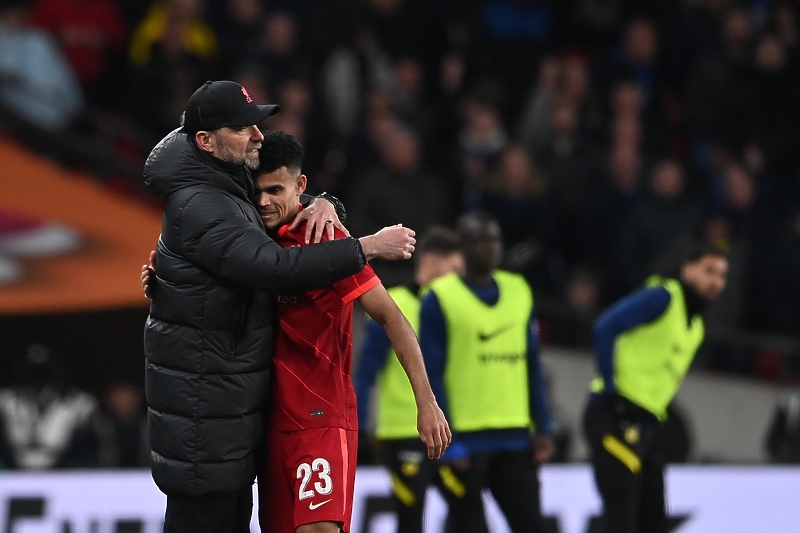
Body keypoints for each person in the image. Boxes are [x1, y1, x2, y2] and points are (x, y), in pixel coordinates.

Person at [142, 80, 416, 533]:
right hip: (206, 430)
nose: (257, 136)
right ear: (206, 141)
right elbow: (272, 266)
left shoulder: (226, 181)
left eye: (255, 123)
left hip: (239, 425)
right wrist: (365, 246)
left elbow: (276, 201)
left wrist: (324, 204)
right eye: (242, 127)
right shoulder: (202, 201)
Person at [251, 130, 451, 533]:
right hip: (271, 422)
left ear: (300, 185)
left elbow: (393, 318)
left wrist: (426, 403)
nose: (264, 202)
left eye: (275, 190)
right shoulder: (253, 240)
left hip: (321, 419)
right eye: (256, 191)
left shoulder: (327, 238)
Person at [419, 210, 554, 533]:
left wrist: (544, 426)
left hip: (514, 435)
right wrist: (447, 438)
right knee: (468, 526)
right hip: (464, 440)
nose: (488, 247)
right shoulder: (440, 297)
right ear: (462, 247)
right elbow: (432, 372)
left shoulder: (519, 290)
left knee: (532, 525)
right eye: (479, 241)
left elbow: (532, 364)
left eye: (493, 240)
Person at [582, 242, 728, 533]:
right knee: (620, 517)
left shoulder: (696, 327)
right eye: (709, 271)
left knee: (653, 521)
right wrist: (611, 390)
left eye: (723, 275)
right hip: (614, 415)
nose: (716, 281)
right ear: (687, 270)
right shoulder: (663, 297)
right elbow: (604, 327)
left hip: (646, 424)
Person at [354, 226, 465, 533]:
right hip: (404, 431)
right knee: (410, 521)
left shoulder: (454, 308)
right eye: (453, 269)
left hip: (449, 432)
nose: (458, 278)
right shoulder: (391, 304)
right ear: (429, 264)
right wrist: (358, 428)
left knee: (467, 514)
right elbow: (366, 372)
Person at [0, 343, 100, 469]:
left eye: (43, 373)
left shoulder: (79, 402)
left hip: (63, 470)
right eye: (33, 373)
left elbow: (88, 446)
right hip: (15, 468)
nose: (38, 381)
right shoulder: (6, 400)